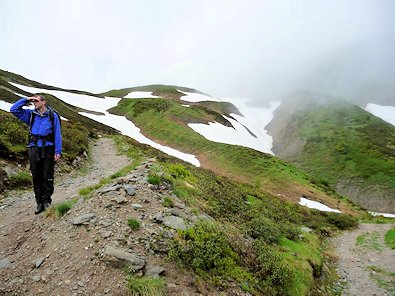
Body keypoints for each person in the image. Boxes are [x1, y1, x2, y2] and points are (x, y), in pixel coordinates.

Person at [11, 94, 62, 214]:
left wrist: (57, 151)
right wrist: (26, 99)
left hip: (48, 148)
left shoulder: (52, 115)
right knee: (36, 176)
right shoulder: (30, 115)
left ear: (44, 102)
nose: (34, 103)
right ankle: (39, 203)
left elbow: (57, 134)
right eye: (33, 101)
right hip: (34, 148)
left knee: (47, 175)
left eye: (36, 101)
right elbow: (13, 109)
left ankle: (46, 201)